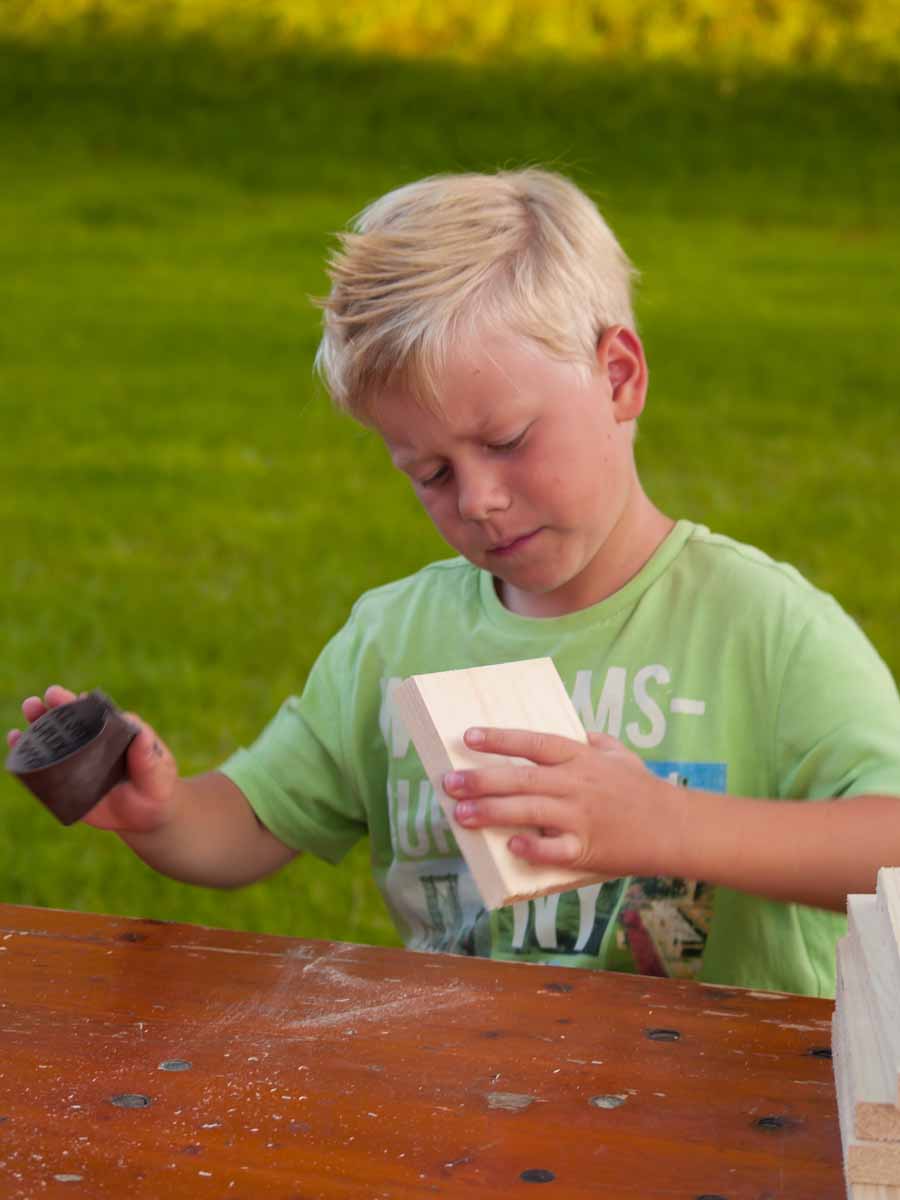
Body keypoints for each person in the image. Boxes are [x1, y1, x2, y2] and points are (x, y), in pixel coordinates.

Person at [10, 169, 900, 997]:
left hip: (719, 1100)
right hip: (473, 1084)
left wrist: (667, 824)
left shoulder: (761, 628)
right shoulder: (394, 639)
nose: (478, 500)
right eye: (430, 473)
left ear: (618, 377)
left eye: (508, 442)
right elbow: (253, 819)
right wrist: (161, 812)